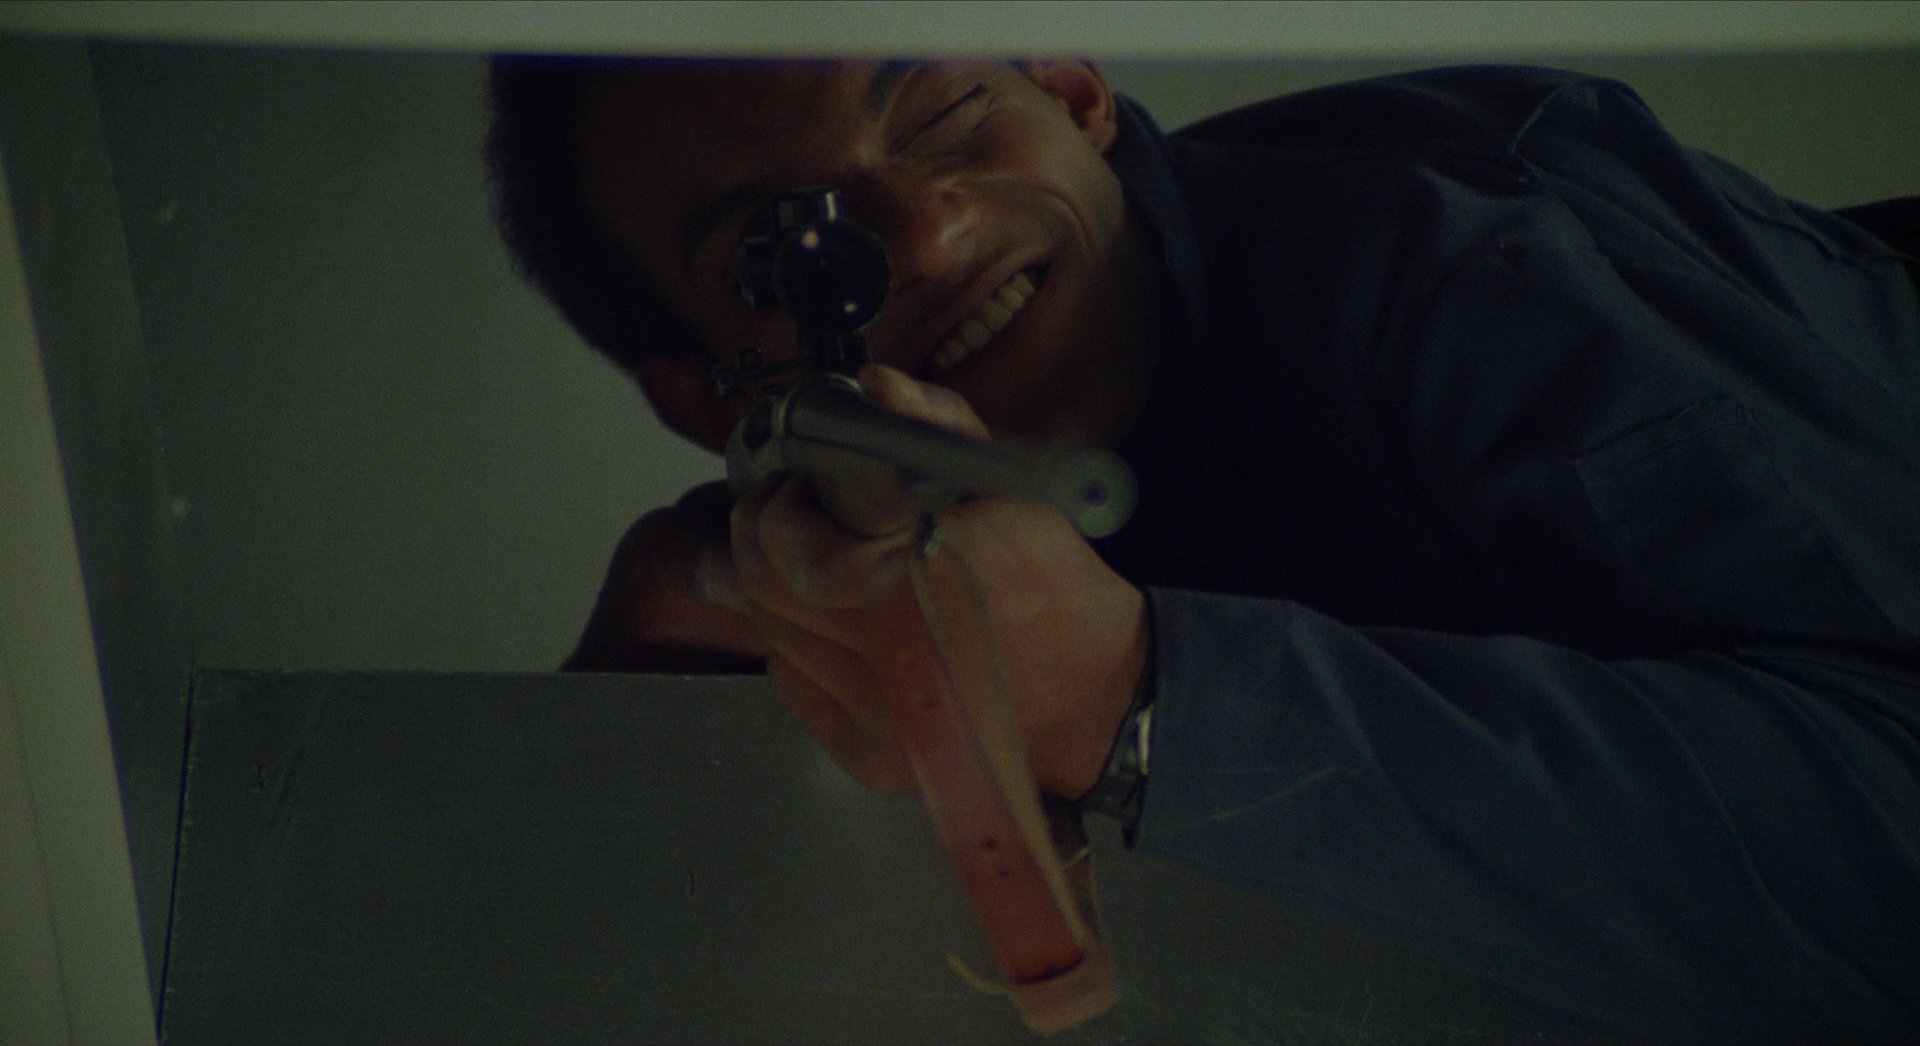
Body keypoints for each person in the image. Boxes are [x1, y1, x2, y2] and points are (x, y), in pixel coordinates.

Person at [485, 57, 1920, 1040]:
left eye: (943, 114)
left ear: (1072, 87)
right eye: (785, 256)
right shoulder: (791, 543)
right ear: (703, 396)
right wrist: (636, 766)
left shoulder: (1477, 254)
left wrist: (1134, 698)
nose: (925, 235)